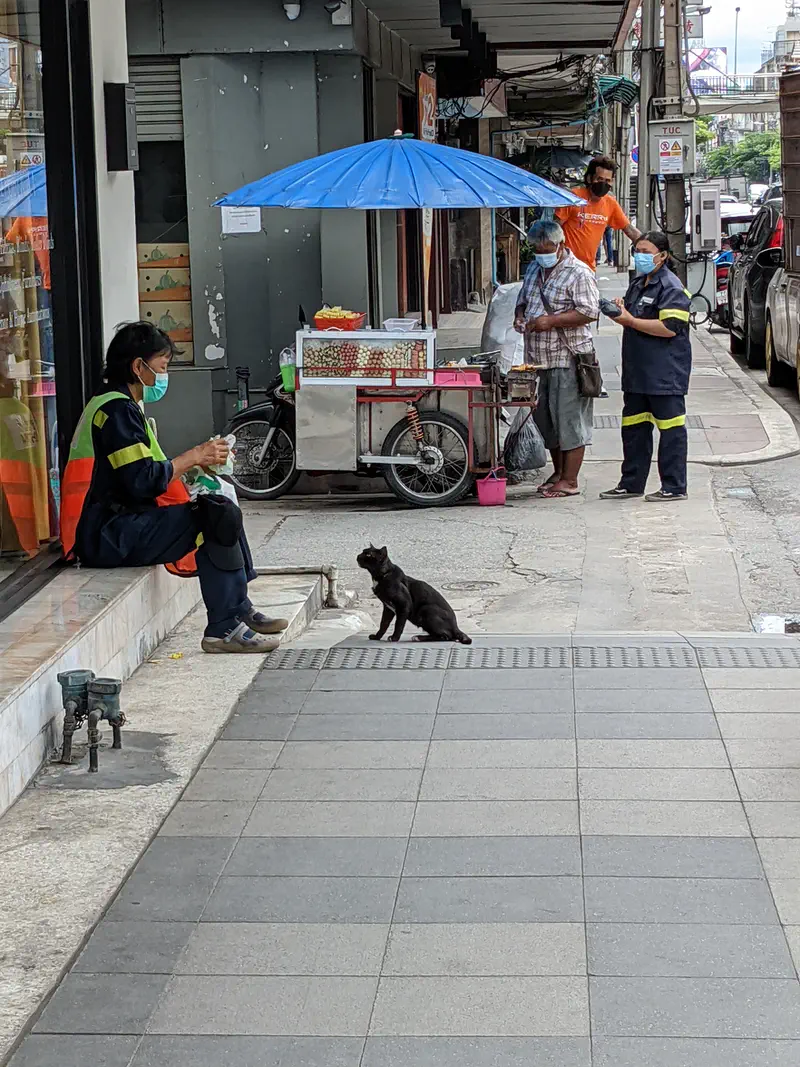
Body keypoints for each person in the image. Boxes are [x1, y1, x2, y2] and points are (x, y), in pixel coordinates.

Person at [60, 322, 288, 653]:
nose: (165, 376)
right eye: (162, 366)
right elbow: (143, 481)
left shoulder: (118, 404)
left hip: (113, 525)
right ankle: (224, 627)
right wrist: (193, 456)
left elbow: (146, 472)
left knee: (220, 506)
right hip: (106, 535)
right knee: (215, 514)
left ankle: (238, 609)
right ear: (139, 367)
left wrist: (197, 465)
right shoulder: (115, 410)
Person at [599, 232, 691, 502]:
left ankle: (674, 487)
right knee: (634, 429)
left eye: (646, 251)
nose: (640, 255)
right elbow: (632, 313)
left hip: (665, 374)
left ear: (662, 256)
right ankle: (631, 483)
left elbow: (670, 328)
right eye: (637, 250)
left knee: (671, 430)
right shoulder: (639, 283)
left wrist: (630, 321)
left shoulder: (671, 287)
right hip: (638, 372)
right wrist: (620, 310)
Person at [514, 219, 600, 499]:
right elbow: (523, 298)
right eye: (537, 249)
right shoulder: (534, 269)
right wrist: (520, 316)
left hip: (567, 357)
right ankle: (559, 472)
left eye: (546, 248)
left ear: (560, 245)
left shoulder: (578, 273)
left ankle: (571, 480)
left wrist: (550, 321)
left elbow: (589, 311)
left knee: (569, 420)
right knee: (546, 420)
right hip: (537, 359)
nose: (541, 254)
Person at [555, 155, 640, 271]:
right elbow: (554, 229)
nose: (603, 184)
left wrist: (651, 246)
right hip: (565, 266)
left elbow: (629, 229)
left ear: (612, 182)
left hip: (588, 269)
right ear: (589, 178)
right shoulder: (573, 198)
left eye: (607, 180)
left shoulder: (610, 203)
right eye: (599, 179)